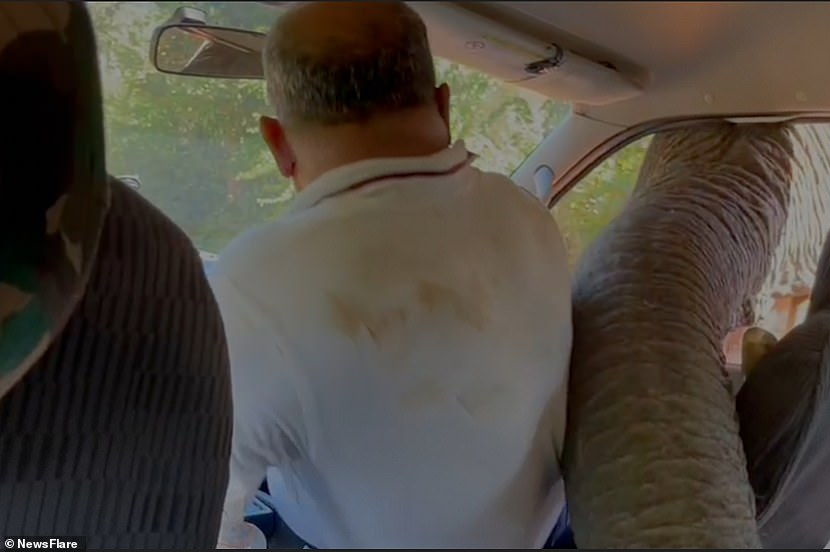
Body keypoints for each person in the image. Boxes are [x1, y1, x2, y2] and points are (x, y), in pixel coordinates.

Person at [210, 1, 573, 548]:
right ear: (444, 106)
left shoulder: (253, 287)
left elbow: (199, 516)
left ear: (277, 144)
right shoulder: (529, 218)